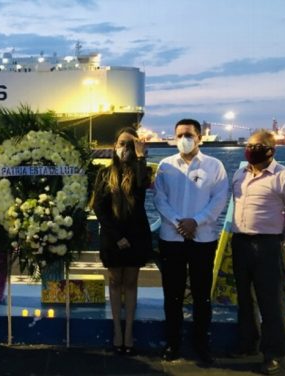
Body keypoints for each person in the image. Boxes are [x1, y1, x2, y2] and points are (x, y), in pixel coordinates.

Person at [230, 130, 285, 375]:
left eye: (258, 145)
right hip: (240, 242)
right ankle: (247, 344)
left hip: (268, 245)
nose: (252, 149)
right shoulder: (238, 175)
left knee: (272, 301)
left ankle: (273, 353)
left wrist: (280, 238)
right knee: (244, 298)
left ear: (271, 150)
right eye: (250, 144)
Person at [153, 118, 229, 364]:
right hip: (171, 239)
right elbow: (159, 199)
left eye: (188, 134)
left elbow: (219, 200)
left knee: (201, 294)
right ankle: (172, 343)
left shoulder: (214, 166)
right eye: (179, 135)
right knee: (172, 295)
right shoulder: (165, 165)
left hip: (203, 239)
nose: (183, 139)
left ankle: (201, 344)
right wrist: (179, 222)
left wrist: (196, 221)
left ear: (199, 137)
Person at [92, 127, 152, 355]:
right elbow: (99, 208)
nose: (124, 148)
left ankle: (129, 331)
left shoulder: (141, 171)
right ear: (114, 146)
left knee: (131, 282)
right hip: (112, 237)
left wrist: (140, 156)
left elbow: (140, 191)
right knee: (115, 282)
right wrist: (118, 237)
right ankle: (117, 329)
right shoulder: (104, 174)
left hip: (136, 236)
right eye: (121, 143)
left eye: (129, 144)